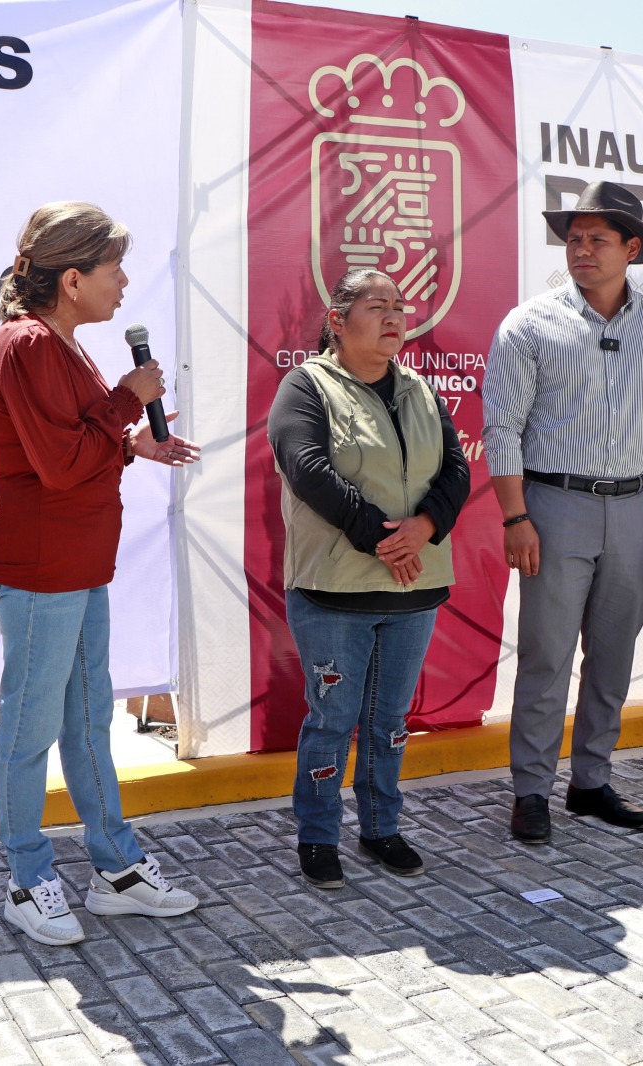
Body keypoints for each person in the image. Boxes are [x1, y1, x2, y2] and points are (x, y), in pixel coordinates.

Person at [0, 202, 201, 945]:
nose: (124, 283)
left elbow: (77, 445)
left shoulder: (64, 345)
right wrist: (125, 404)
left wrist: (134, 443)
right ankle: (26, 876)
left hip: (75, 564)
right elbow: (63, 464)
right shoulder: (28, 345)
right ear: (72, 279)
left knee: (86, 720)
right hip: (40, 568)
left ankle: (116, 871)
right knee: (31, 725)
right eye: (112, 271)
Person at [481, 182, 643, 845]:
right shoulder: (529, 324)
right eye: (573, 239)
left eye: (597, 239)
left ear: (632, 249)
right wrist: (516, 518)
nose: (581, 250)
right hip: (552, 506)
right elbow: (501, 429)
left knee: (614, 655)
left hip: (637, 510)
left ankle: (592, 780)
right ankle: (530, 790)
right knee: (546, 657)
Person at [268, 267, 470, 888]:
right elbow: (306, 469)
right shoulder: (306, 387)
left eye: (399, 307)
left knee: (388, 722)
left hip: (413, 587)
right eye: (376, 305)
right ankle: (318, 835)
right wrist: (384, 537)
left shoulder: (420, 390)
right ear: (337, 319)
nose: (393, 317)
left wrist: (426, 527)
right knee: (331, 720)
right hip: (336, 591)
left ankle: (382, 828)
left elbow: (456, 468)